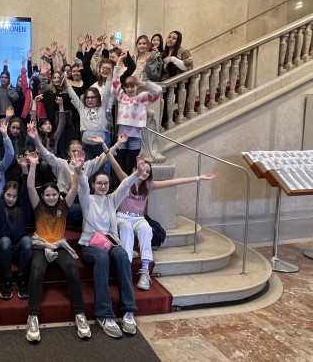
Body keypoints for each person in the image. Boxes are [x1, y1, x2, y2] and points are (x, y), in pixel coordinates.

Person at [112, 160, 217, 290]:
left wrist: (198, 178)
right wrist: (107, 148)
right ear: (135, 169)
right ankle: (125, 270)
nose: (145, 173)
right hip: (122, 216)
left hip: (139, 218)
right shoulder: (126, 180)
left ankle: (145, 271)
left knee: (146, 228)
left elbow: (173, 182)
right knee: (126, 229)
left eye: (148, 171)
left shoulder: (149, 185)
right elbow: (115, 165)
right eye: (143, 169)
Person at [77, 145, 146, 338]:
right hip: (90, 246)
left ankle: (128, 310)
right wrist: (78, 170)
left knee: (123, 254)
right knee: (102, 258)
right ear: (93, 185)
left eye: (105, 183)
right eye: (99, 183)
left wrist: (138, 173)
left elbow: (124, 186)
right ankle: (104, 314)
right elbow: (81, 184)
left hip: (110, 243)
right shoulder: (87, 199)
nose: (102, 186)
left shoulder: (111, 200)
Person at [25, 152, 91, 342]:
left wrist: (78, 170)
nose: (52, 197)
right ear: (43, 196)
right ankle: (32, 317)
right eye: (48, 195)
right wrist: (33, 165)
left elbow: (75, 188)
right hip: (41, 246)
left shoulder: (64, 204)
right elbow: (30, 186)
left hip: (60, 246)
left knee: (72, 268)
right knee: (36, 270)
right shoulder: (38, 206)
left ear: (58, 195)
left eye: (54, 194)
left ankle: (80, 314)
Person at [0, 155, 32, 300]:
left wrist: (25, 169)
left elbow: (26, 191)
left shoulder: (22, 207)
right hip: (2, 248)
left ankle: (21, 278)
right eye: (8, 195)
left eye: (14, 196)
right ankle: (7, 279)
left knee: (27, 240)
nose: (11, 199)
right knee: (5, 240)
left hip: (18, 249)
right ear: (3, 194)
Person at [112, 52, 162, 173]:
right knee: (120, 164)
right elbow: (115, 82)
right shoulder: (121, 97)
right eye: (127, 87)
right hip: (121, 136)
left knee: (132, 165)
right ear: (124, 88)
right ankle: (121, 188)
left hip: (135, 137)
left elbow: (158, 90)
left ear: (136, 87)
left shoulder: (142, 97)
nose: (129, 89)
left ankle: (132, 189)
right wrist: (118, 63)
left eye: (132, 86)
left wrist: (143, 83)